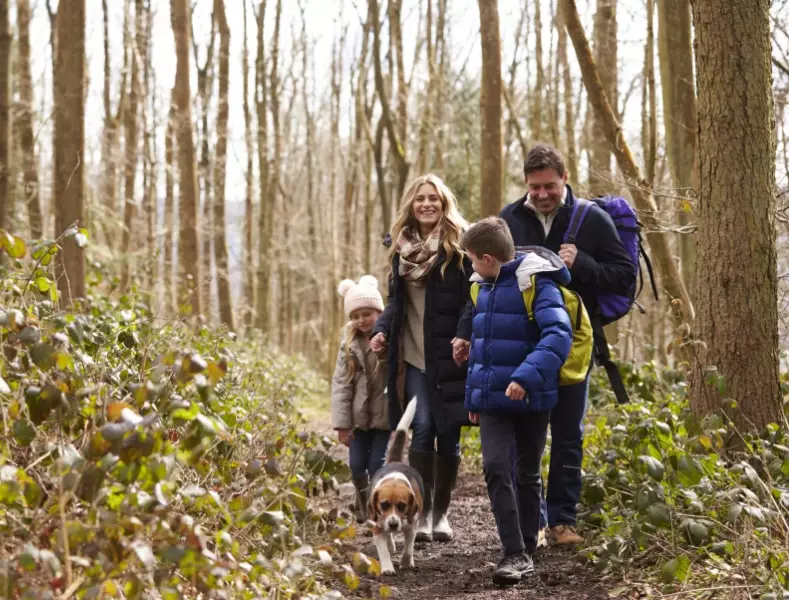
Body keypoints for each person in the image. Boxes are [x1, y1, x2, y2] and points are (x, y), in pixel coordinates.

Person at [500, 144, 637, 546]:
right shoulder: (509, 218)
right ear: (526, 184)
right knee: (528, 437)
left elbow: (624, 276)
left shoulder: (591, 219)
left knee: (567, 435)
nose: (542, 195)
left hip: (576, 347)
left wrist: (584, 264)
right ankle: (533, 523)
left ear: (564, 178)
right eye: (534, 187)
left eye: (549, 186)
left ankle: (562, 521)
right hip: (523, 348)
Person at [461, 216, 573, 586]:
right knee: (495, 467)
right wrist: (473, 394)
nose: (471, 267)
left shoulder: (537, 283)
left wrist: (525, 377)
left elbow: (558, 334)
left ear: (488, 258)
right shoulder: (482, 286)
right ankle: (514, 551)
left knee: (526, 473)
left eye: (473, 259)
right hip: (493, 400)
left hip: (532, 397)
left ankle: (526, 546)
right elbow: (483, 350)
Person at [370, 173, 473, 543]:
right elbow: (396, 302)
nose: (427, 204)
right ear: (411, 206)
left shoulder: (459, 248)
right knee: (423, 427)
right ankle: (421, 508)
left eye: (434, 198)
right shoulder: (400, 250)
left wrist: (464, 333)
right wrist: (380, 329)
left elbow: (471, 301)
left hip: (449, 357)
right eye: (420, 199)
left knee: (447, 432)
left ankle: (439, 514)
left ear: (444, 204)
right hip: (411, 356)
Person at [332, 275, 389, 524]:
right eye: (355, 316)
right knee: (357, 467)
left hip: (384, 417)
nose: (361, 320)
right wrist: (343, 424)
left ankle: (374, 509)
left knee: (377, 466)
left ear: (378, 311)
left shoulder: (388, 340)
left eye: (367, 313)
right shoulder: (348, 346)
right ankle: (362, 498)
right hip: (356, 419)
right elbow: (341, 385)